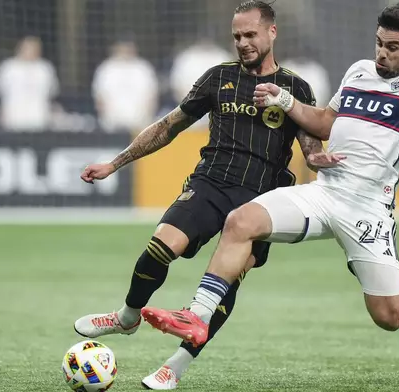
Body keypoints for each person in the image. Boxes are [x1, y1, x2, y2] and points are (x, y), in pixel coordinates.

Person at [139, 3, 399, 350]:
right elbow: (324, 121)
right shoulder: (359, 71)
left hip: (367, 213)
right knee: (240, 220)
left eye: (392, 47)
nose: (381, 52)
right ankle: (197, 314)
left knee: (389, 316)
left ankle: (382, 268)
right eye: (379, 42)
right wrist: (286, 101)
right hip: (325, 192)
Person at [73, 1, 331, 389]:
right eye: (237, 36)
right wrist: (115, 163)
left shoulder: (296, 88)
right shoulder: (217, 78)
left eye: (250, 35)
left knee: (227, 283)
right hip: (210, 182)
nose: (243, 43)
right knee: (161, 245)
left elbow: (310, 149)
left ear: (271, 33)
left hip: (261, 201)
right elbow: (168, 126)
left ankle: (174, 368)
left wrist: (320, 161)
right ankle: (127, 316)